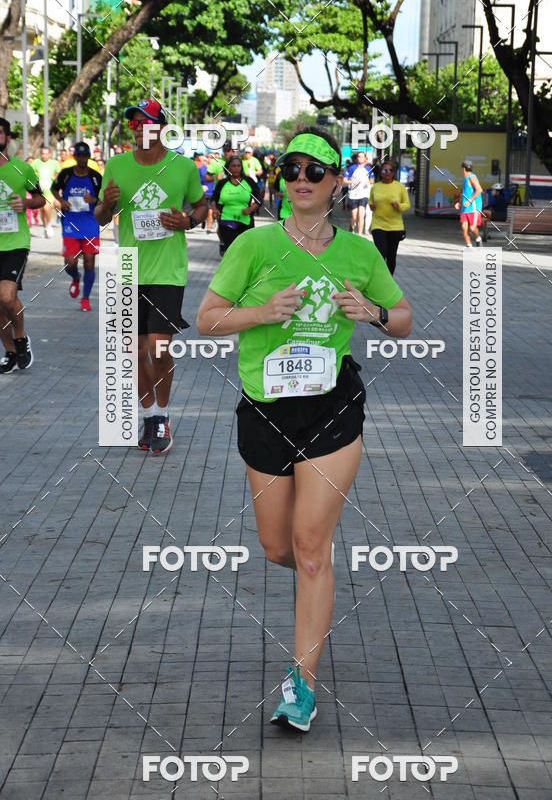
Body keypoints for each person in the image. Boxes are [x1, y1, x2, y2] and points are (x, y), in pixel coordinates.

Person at [196, 127, 412, 732]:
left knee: (313, 550)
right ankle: (317, 577)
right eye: (290, 169)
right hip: (266, 409)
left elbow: (403, 320)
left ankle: (302, 686)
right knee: (280, 548)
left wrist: (370, 312)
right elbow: (206, 321)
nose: (299, 179)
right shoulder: (256, 247)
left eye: (314, 171)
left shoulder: (360, 253)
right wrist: (260, 314)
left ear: (337, 183)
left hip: (332, 409)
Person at [95, 98, 207, 454]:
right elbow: (100, 217)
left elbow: (202, 206)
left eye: (147, 122)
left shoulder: (183, 167)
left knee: (159, 348)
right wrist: (107, 203)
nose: (140, 128)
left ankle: (163, 413)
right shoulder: (115, 165)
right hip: (127, 268)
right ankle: (150, 416)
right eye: (134, 123)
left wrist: (188, 220)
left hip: (168, 271)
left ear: (161, 127)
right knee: (133, 351)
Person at [0, 118, 45, 373]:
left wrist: (25, 204)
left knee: (7, 296)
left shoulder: (21, 169)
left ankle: (21, 337)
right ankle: (9, 352)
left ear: (7, 137)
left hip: (15, 241)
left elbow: (40, 199)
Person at [51, 141, 103, 311]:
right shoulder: (66, 174)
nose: (82, 159)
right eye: (79, 156)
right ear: (75, 157)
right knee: (70, 262)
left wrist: (94, 200)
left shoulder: (95, 177)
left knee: (89, 262)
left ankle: (86, 298)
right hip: (71, 223)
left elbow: (104, 200)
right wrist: (61, 201)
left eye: (85, 156)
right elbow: (53, 189)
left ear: (88, 157)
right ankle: (75, 277)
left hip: (90, 223)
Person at [212, 154, 262, 253]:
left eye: (238, 166)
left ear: (241, 167)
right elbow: (214, 199)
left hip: (245, 222)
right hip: (226, 221)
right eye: (233, 166)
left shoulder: (249, 181)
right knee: (231, 250)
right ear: (228, 167)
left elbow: (258, 199)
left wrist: (251, 209)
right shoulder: (222, 183)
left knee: (245, 250)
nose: (236, 168)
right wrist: (215, 210)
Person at [369, 160, 411, 274]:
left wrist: (399, 206)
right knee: (381, 252)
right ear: (381, 172)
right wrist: (371, 206)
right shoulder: (375, 187)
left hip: (395, 226)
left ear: (394, 172)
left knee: (391, 256)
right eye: (384, 170)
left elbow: (407, 204)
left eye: (390, 170)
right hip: (378, 224)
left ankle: (389, 280)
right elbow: (371, 201)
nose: (387, 172)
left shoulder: (400, 187)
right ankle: (380, 276)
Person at [31, 146, 60, 238]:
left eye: (46, 153)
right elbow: (30, 173)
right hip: (40, 191)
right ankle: (45, 228)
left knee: (46, 208)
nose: (44, 155)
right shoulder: (36, 162)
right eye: (43, 153)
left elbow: (60, 173)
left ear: (50, 154)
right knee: (42, 211)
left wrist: (55, 179)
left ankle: (49, 225)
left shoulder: (54, 163)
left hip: (50, 191)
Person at [344, 151, 373, 235]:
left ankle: (360, 235)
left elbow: (372, 180)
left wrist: (368, 182)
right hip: (353, 195)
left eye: (362, 157)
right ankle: (352, 229)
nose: (360, 158)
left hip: (364, 195)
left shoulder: (368, 169)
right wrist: (352, 182)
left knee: (361, 215)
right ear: (357, 158)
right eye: (359, 157)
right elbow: (344, 180)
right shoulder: (352, 168)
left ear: (365, 159)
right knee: (354, 216)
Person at [458, 160, 483, 248]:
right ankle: (469, 246)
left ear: (463, 169)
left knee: (472, 228)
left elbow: (479, 190)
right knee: (464, 229)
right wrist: (460, 203)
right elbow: (464, 193)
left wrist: (470, 201)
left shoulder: (472, 177)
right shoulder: (466, 179)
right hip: (465, 209)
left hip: (474, 208)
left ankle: (478, 239)